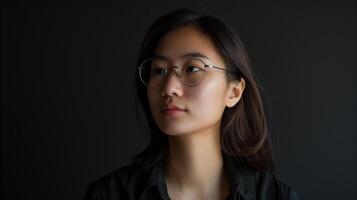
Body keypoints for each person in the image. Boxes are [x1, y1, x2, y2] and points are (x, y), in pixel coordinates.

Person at [84, 9, 300, 200]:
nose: (169, 88)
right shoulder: (111, 194)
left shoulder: (274, 195)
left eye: (192, 68)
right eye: (159, 70)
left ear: (233, 92)